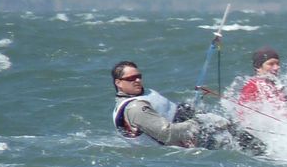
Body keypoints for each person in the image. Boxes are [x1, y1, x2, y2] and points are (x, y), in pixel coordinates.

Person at [110, 61, 264, 153]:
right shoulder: (135, 108)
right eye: (131, 78)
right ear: (118, 83)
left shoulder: (140, 94)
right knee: (228, 136)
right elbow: (168, 134)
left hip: (186, 122)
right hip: (183, 139)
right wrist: (201, 121)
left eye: (139, 76)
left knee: (230, 126)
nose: (137, 80)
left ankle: (262, 149)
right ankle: (262, 154)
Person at [235, 47, 287, 127]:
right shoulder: (252, 85)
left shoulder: (275, 85)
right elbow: (243, 114)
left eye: (277, 64)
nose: (277, 67)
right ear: (258, 67)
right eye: (271, 64)